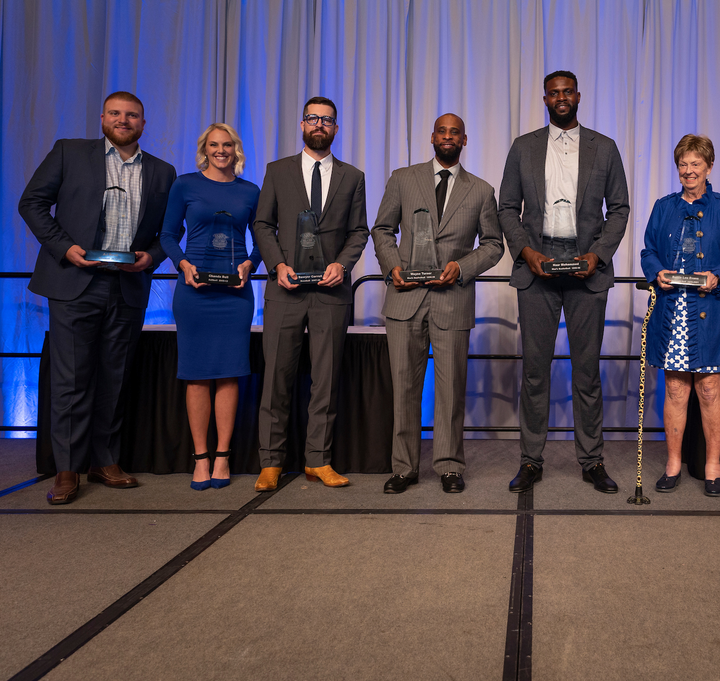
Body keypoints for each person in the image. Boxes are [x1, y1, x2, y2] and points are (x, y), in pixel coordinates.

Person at [18, 90, 177, 504]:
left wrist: (151, 258)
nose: (124, 120)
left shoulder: (163, 172)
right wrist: (62, 246)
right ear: (102, 117)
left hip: (127, 286)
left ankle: (105, 461)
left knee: (115, 377)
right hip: (74, 282)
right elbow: (32, 203)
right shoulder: (70, 153)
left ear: (144, 123)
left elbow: (169, 233)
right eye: (116, 113)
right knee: (71, 379)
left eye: (132, 116)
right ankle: (67, 470)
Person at [498, 70, 631, 494]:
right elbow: (506, 208)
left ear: (578, 95)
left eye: (567, 91)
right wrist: (525, 251)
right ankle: (531, 460)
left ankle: (592, 461)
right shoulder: (523, 147)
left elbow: (621, 209)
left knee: (587, 372)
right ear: (544, 98)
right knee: (535, 372)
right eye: (553, 93)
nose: (561, 98)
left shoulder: (604, 148)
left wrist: (598, 254)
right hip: (537, 267)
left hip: (585, 266)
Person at [371, 114, 504, 494]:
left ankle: (448, 465)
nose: (448, 137)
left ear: (465, 140)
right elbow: (382, 229)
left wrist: (462, 267)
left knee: (450, 390)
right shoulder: (403, 178)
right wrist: (392, 266)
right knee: (404, 387)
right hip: (404, 298)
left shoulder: (480, 190)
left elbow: (494, 245)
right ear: (432, 137)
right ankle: (404, 467)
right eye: (442, 131)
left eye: (455, 133)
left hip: (453, 300)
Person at [251, 97, 369, 492]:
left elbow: (359, 232)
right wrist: (278, 265)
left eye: (328, 120)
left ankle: (318, 460)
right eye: (313, 118)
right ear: (302, 124)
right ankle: (271, 461)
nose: (320, 124)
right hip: (285, 290)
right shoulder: (277, 171)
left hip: (330, 292)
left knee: (326, 379)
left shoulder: (353, 177)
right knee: (276, 378)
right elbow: (263, 224)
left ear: (336, 128)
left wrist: (344, 264)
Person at [642, 135, 720, 497]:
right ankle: (673, 464)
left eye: (696, 164)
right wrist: (656, 271)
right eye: (683, 165)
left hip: (712, 308)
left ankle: (713, 466)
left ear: (709, 167)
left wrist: (718, 275)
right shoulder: (663, 206)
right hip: (673, 308)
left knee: (708, 388)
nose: (689, 171)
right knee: (674, 388)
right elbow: (648, 251)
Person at [160, 123, 261, 491]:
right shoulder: (185, 184)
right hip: (194, 291)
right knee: (198, 374)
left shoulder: (250, 191)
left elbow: (265, 236)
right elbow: (168, 235)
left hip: (234, 294)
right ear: (205, 148)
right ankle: (200, 457)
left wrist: (252, 262)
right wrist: (183, 264)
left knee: (229, 372)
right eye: (214, 145)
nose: (221, 150)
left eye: (228, 144)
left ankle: (223, 455)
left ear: (236, 150)